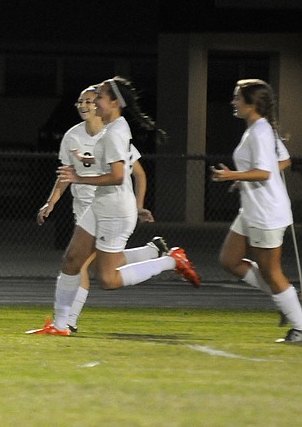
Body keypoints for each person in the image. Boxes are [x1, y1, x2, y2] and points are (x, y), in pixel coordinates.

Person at [28, 76, 200, 336]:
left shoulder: (115, 133)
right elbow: (106, 165)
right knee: (73, 260)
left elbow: (118, 176)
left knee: (107, 278)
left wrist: (77, 176)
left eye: (99, 97)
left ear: (115, 102)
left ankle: (169, 261)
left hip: (115, 211)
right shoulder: (109, 131)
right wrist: (82, 159)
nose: (94, 101)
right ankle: (60, 325)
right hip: (100, 205)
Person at [211, 79, 302, 343]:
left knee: (271, 272)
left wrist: (232, 176)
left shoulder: (261, 131)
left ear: (252, 104)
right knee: (229, 261)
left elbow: (264, 171)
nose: (233, 102)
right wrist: (243, 178)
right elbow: (282, 161)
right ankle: (286, 297)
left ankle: (298, 325)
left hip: (266, 213)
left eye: (238, 98)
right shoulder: (260, 130)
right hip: (251, 209)